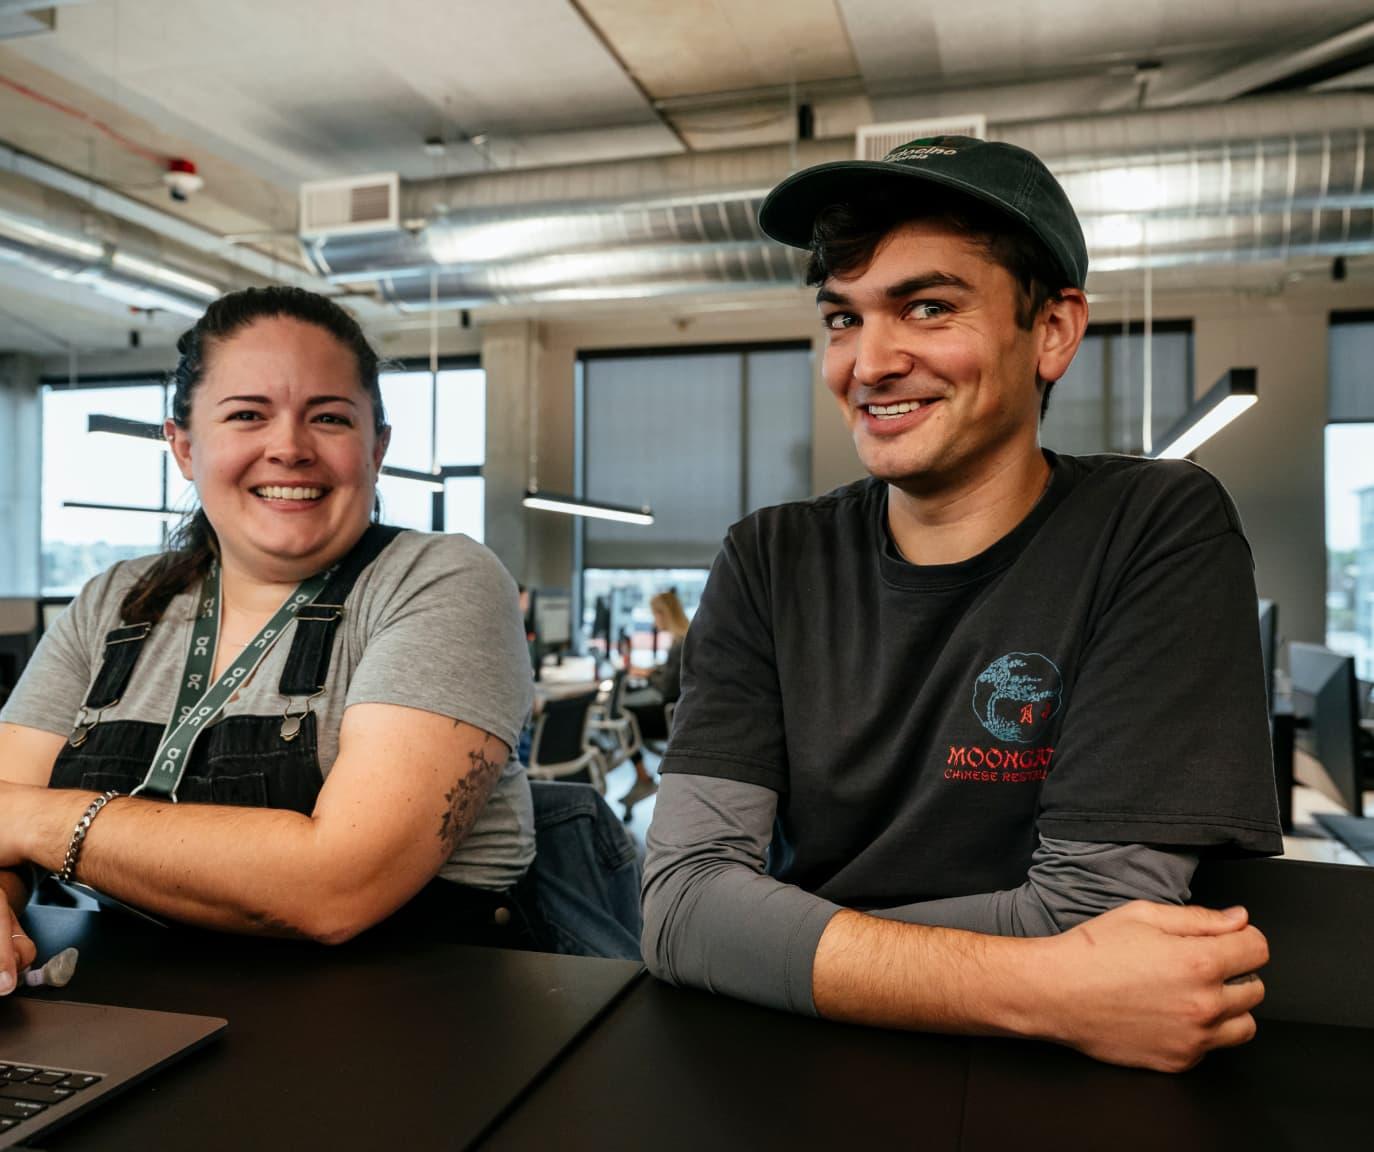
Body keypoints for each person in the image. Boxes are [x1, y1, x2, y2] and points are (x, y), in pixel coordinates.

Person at [641, 136, 1282, 1073]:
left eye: (928, 307)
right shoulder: (768, 558)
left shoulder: (1153, 525)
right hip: (792, 1073)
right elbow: (681, 905)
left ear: (1053, 330)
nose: (869, 362)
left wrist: (767, 935)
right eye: (843, 319)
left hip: (1047, 1089)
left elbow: (1095, 916)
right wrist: (1049, 984)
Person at [0, 287, 537, 996]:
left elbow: (337, 886)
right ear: (184, 447)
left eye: (330, 417)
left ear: (377, 448)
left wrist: (31, 819)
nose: (289, 448)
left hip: (400, 1019)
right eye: (248, 415)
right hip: (126, 1011)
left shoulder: (441, 580)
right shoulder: (113, 601)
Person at [617, 590, 690, 815]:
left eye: (655, 614)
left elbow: (667, 687)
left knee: (623, 713)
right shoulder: (683, 637)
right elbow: (671, 674)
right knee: (628, 704)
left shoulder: (679, 644)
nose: (653, 620)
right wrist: (650, 671)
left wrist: (647, 676)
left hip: (670, 714)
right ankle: (642, 776)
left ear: (663, 614)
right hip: (677, 709)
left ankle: (642, 777)